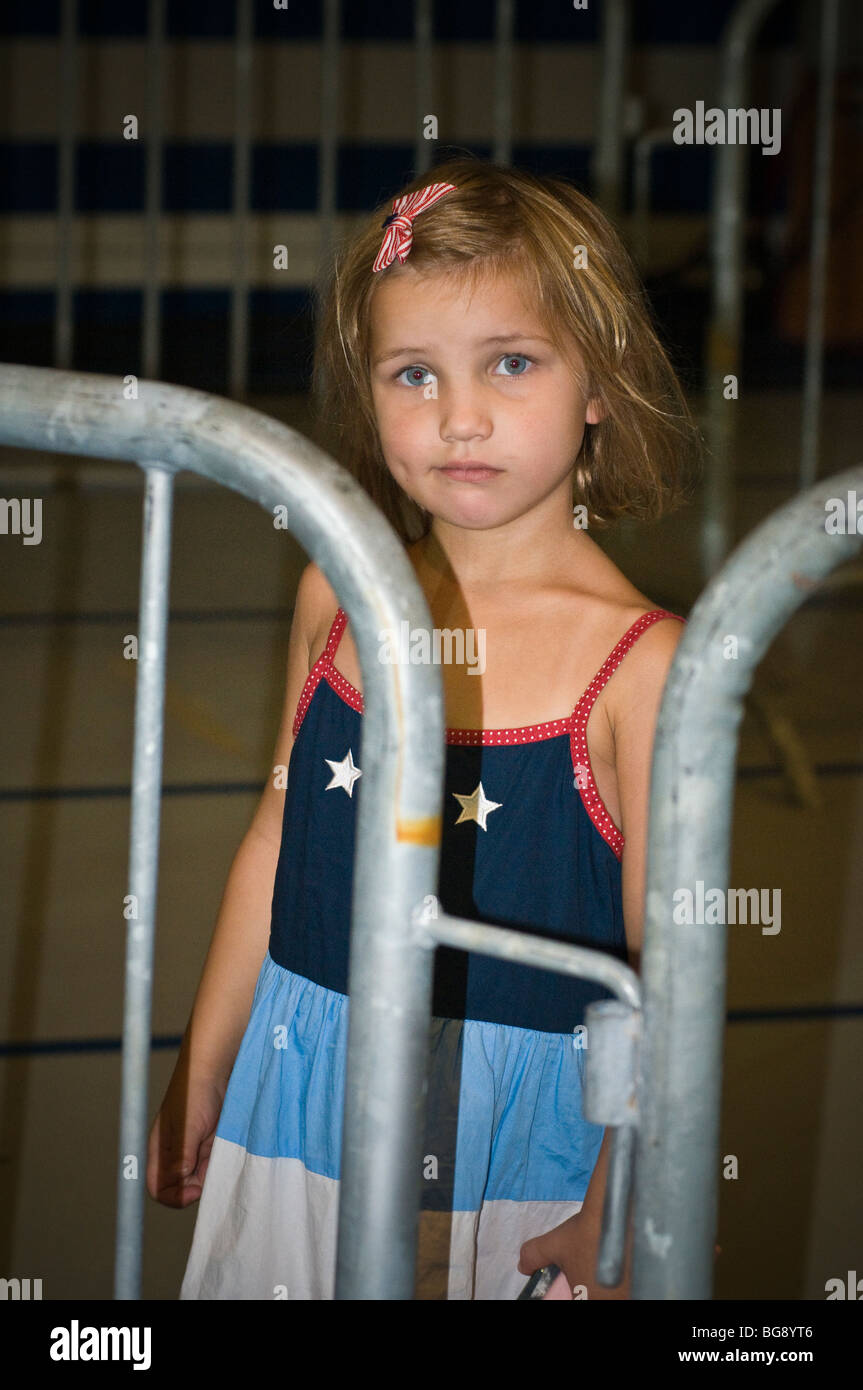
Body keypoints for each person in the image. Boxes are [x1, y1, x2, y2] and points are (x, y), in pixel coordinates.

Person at [147, 156, 702, 1300]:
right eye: (412, 374)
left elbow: (673, 975)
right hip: (301, 1095)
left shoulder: (644, 668)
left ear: (596, 382)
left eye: (509, 362)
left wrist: (619, 1192)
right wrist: (205, 1060)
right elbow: (273, 841)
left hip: (512, 1144)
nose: (458, 418)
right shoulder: (337, 593)